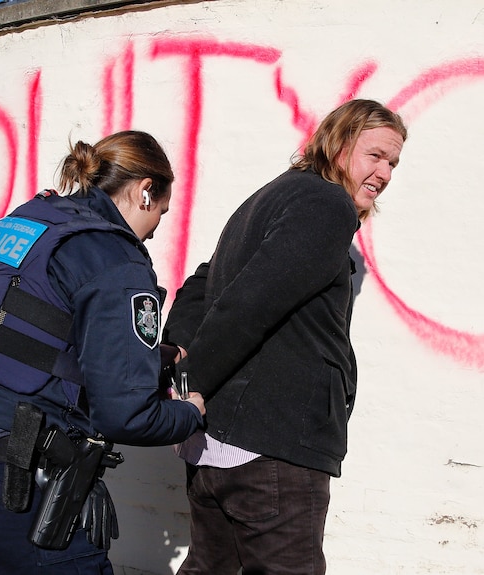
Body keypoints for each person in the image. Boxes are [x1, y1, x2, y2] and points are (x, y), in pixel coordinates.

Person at [0, 130, 207, 574]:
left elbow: (39, 334)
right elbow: (126, 416)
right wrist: (190, 413)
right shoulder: (116, 258)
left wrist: (147, 355)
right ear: (145, 191)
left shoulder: (34, 218)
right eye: (162, 214)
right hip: (18, 488)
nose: (154, 233)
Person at [163, 99, 407, 575]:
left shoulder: (269, 197)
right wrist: (192, 384)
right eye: (374, 155)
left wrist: (184, 369)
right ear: (338, 146)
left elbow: (200, 285)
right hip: (273, 448)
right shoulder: (325, 204)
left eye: (393, 162)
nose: (385, 173)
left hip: (216, 447)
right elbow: (250, 303)